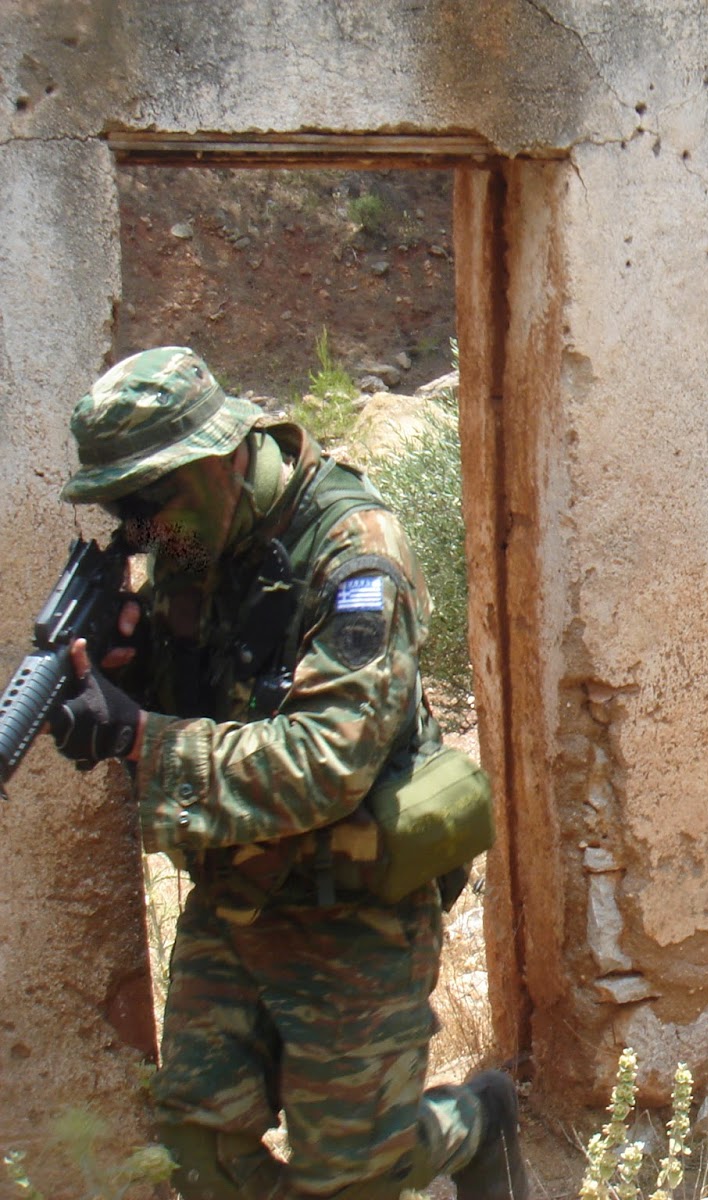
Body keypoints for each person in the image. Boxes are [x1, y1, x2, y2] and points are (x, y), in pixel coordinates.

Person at [48, 346, 530, 1200]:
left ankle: (478, 1120)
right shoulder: (190, 545)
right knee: (193, 1150)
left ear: (224, 454)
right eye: (119, 508)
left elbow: (330, 759)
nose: (137, 529)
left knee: (351, 1172)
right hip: (239, 889)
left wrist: (137, 740)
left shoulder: (352, 549)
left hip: (354, 903)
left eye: (147, 499)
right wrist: (129, 669)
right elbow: (199, 695)